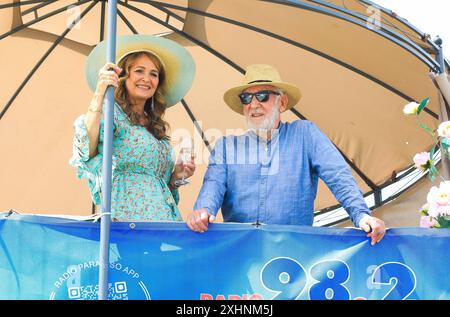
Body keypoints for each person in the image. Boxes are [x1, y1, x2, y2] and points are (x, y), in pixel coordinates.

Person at [186, 64, 386, 245]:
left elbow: (338, 175)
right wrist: (203, 212)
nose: (253, 104)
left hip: (295, 255)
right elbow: (212, 185)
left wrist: (361, 216)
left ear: (282, 103)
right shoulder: (226, 146)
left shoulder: (305, 134)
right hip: (241, 258)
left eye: (262, 96)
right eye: (246, 98)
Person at [70, 34, 196, 221]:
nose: (146, 78)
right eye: (139, 71)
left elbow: (159, 188)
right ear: (123, 75)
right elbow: (86, 150)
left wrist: (176, 177)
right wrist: (100, 92)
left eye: (154, 74)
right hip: (126, 221)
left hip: (162, 222)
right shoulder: (110, 113)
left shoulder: (155, 127)